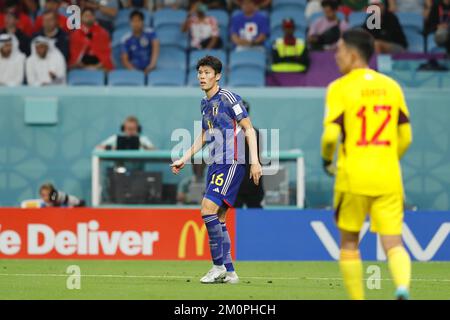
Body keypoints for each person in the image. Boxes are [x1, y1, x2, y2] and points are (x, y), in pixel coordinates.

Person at [321, 28, 413, 300]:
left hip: (353, 176)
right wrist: (387, 159)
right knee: (393, 242)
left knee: (349, 241)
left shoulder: (339, 87)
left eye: (338, 50)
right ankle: (402, 287)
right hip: (388, 176)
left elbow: (329, 137)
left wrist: (327, 160)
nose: (336, 56)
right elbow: (406, 136)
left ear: (351, 54)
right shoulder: (392, 86)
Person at [171, 55, 262, 284]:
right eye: (200, 72)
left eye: (207, 73)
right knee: (219, 218)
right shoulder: (205, 103)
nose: (202, 77)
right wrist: (184, 158)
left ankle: (217, 266)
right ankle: (230, 272)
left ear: (218, 76)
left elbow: (248, 129)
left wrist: (255, 161)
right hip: (215, 163)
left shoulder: (229, 98)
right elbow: (204, 135)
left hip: (231, 162)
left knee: (206, 209)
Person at [234, 100, 264, 208]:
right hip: (238, 181)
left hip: (250, 180)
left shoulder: (254, 132)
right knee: (233, 215)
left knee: (254, 211)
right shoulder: (229, 133)